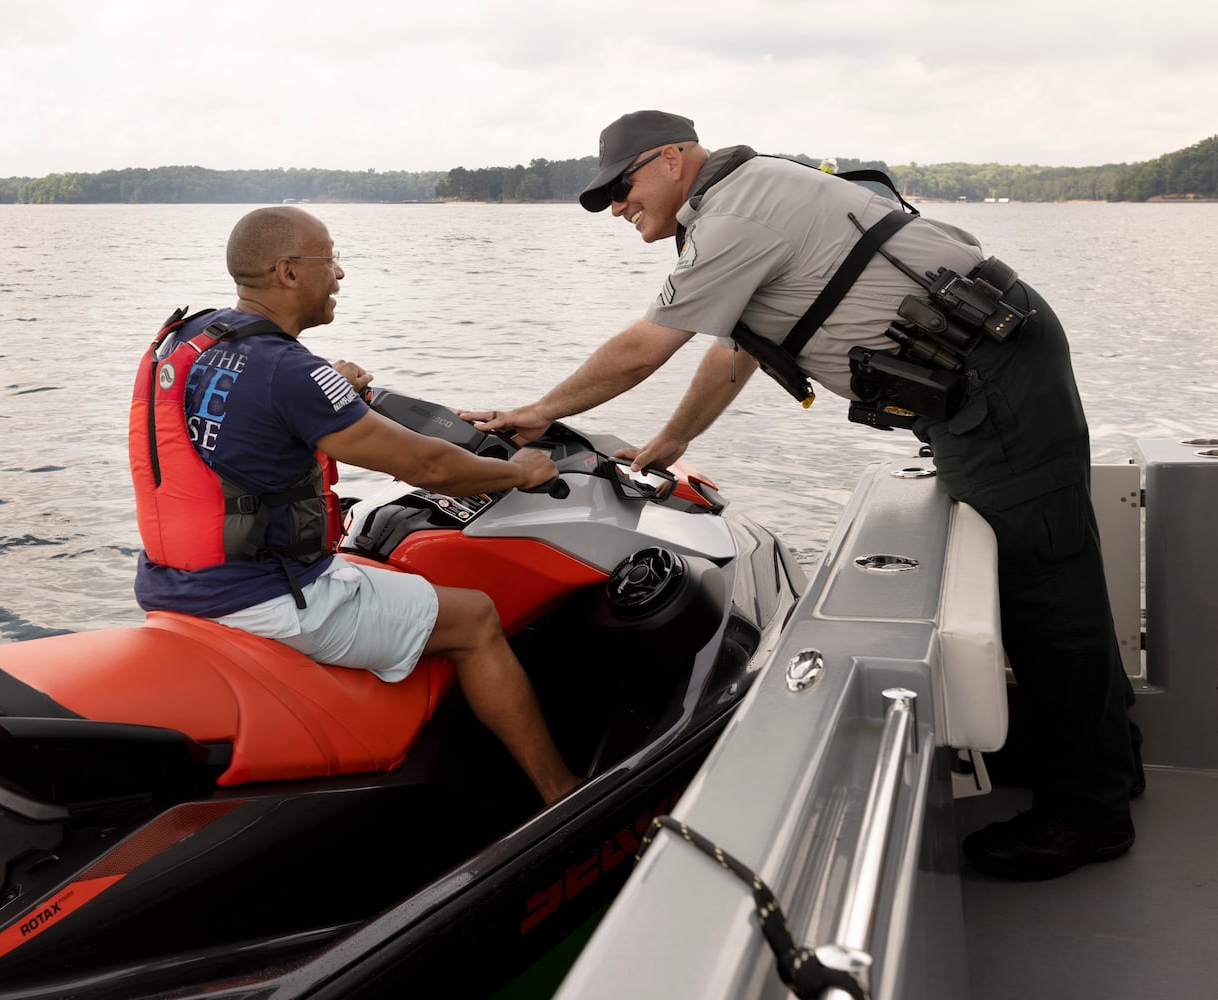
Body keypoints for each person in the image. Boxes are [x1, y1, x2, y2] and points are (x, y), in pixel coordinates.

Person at [465, 110, 1140, 878]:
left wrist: (541, 411)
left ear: (672, 159)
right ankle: (1099, 752)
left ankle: (1090, 810)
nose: (616, 206)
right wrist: (674, 441)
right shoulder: (745, 196)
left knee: (1042, 586)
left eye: (620, 186)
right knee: (1047, 572)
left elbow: (642, 346)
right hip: (986, 375)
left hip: (992, 383)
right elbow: (738, 352)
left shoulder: (735, 213)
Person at [128, 206, 578, 806]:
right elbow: (431, 467)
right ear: (289, 273)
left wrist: (328, 384)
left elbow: (251, 412)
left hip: (175, 584)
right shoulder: (290, 374)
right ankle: (563, 792)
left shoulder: (195, 337)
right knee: (475, 618)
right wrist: (516, 472)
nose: (339, 274)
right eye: (330, 259)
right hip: (266, 598)